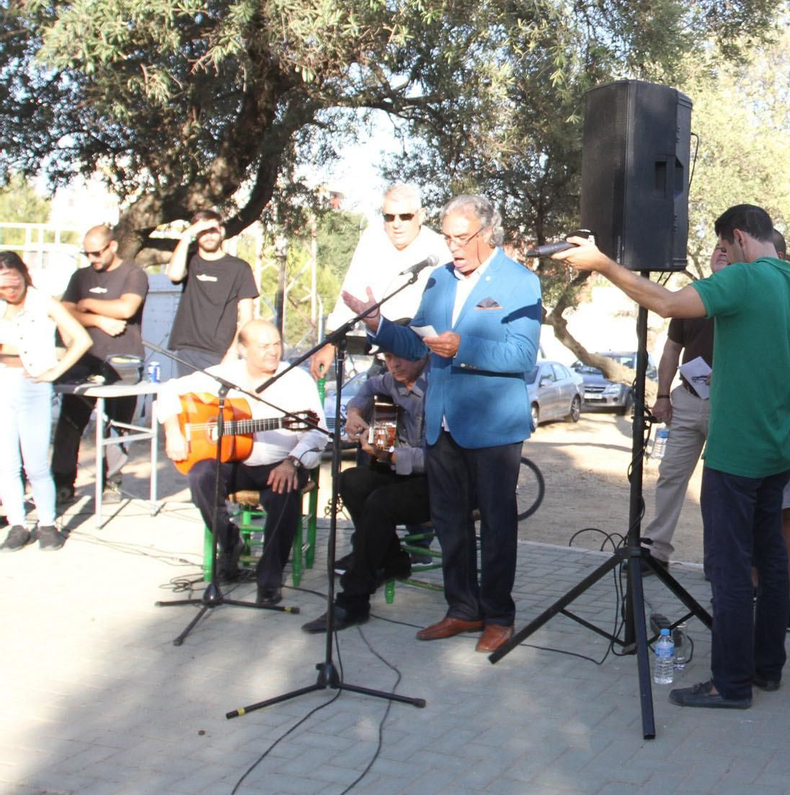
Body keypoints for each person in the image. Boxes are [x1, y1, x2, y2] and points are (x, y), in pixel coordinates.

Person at [555, 204, 790, 709]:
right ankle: (766, 668)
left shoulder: (746, 279)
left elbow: (669, 304)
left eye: (726, 245)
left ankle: (730, 684)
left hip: (736, 453)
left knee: (731, 571)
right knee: (769, 560)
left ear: (738, 237)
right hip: (775, 448)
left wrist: (603, 265)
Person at [344, 194, 541, 655]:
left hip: (493, 427)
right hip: (442, 425)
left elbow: (522, 355)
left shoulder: (519, 281)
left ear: (487, 233)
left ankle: (498, 616)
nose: (452, 246)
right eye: (448, 237)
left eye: (461, 237)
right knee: (449, 523)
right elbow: (416, 347)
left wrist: (463, 347)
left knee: (495, 524)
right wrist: (378, 324)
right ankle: (462, 608)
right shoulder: (437, 280)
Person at [155, 320, 325, 604]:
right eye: (263, 346)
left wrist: (293, 462)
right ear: (243, 349)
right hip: (235, 462)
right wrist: (173, 430)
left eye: (276, 344)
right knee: (200, 475)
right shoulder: (224, 375)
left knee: (285, 493)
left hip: (280, 463)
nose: (273, 352)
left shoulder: (297, 379)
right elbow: (168, 390)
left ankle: (269, 579)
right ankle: (231, 542)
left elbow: (318, 434)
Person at [303, 351, 430, 632]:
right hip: (400, 473)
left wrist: (394, 455)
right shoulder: (391, 381)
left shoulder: (442, 387)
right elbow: (370, 387)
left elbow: (443, 459)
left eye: (401, 357)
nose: (393, 364)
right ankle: (393, 558)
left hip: (438, 483)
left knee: (380, 502)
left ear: (422, 355)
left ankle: (352, 601)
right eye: (387, 357)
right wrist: (354, 413)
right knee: (349, 481)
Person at [52, 223, 150, 506]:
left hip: (123, 360)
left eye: (97, 253)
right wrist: (98, 319)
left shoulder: (133, 273)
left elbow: (126, 308)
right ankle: (62, 482)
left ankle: (111, 482)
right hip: (83, 360)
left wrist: (85, 303)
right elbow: (63, 313)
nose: (92, 259)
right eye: (87, 254)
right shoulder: (80, 276)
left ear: (113, 247)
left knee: (118, 424)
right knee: (70, 423)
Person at [0, 252, 92, 550]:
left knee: (36, 462)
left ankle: (48, 523)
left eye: (14, 282)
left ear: (24, 276)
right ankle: (17, 523)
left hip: (33, 385)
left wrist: (56, 371)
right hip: (3, 382)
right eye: (3, 285)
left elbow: (81, 339)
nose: (9, 290)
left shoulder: (43, 301)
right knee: (6, 463)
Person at [642, 246, 727, 567]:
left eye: (725, 246)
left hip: (728, 408)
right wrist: (663, 396)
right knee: (670, 476)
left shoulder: (745, 297)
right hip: (688, 402)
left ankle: (719, 562)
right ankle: (656, 550)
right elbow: (670, 351)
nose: (719, 251)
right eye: (715, 246)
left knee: (721, 488)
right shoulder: (691, 298)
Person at [310, 183, 448, 380]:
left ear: (422, 215)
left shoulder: (438, 247)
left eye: (405, 216)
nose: (396, 223)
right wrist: (330, 344)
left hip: (425, 361)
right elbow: (351, 293)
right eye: (389, 217)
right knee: (363, 406)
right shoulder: (372, 240)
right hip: (384, 357)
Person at [164, 208, 258, 372]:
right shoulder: (189, 260)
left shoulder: (240, 268)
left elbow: (247, 318)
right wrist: (186, 235)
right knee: (189, 398)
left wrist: (233, 352)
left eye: (212, 231)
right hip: (188, 350)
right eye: (202, 231)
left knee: (219, 399)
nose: (208, 236)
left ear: (221, 232)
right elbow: (174, 275)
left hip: (221, 353)